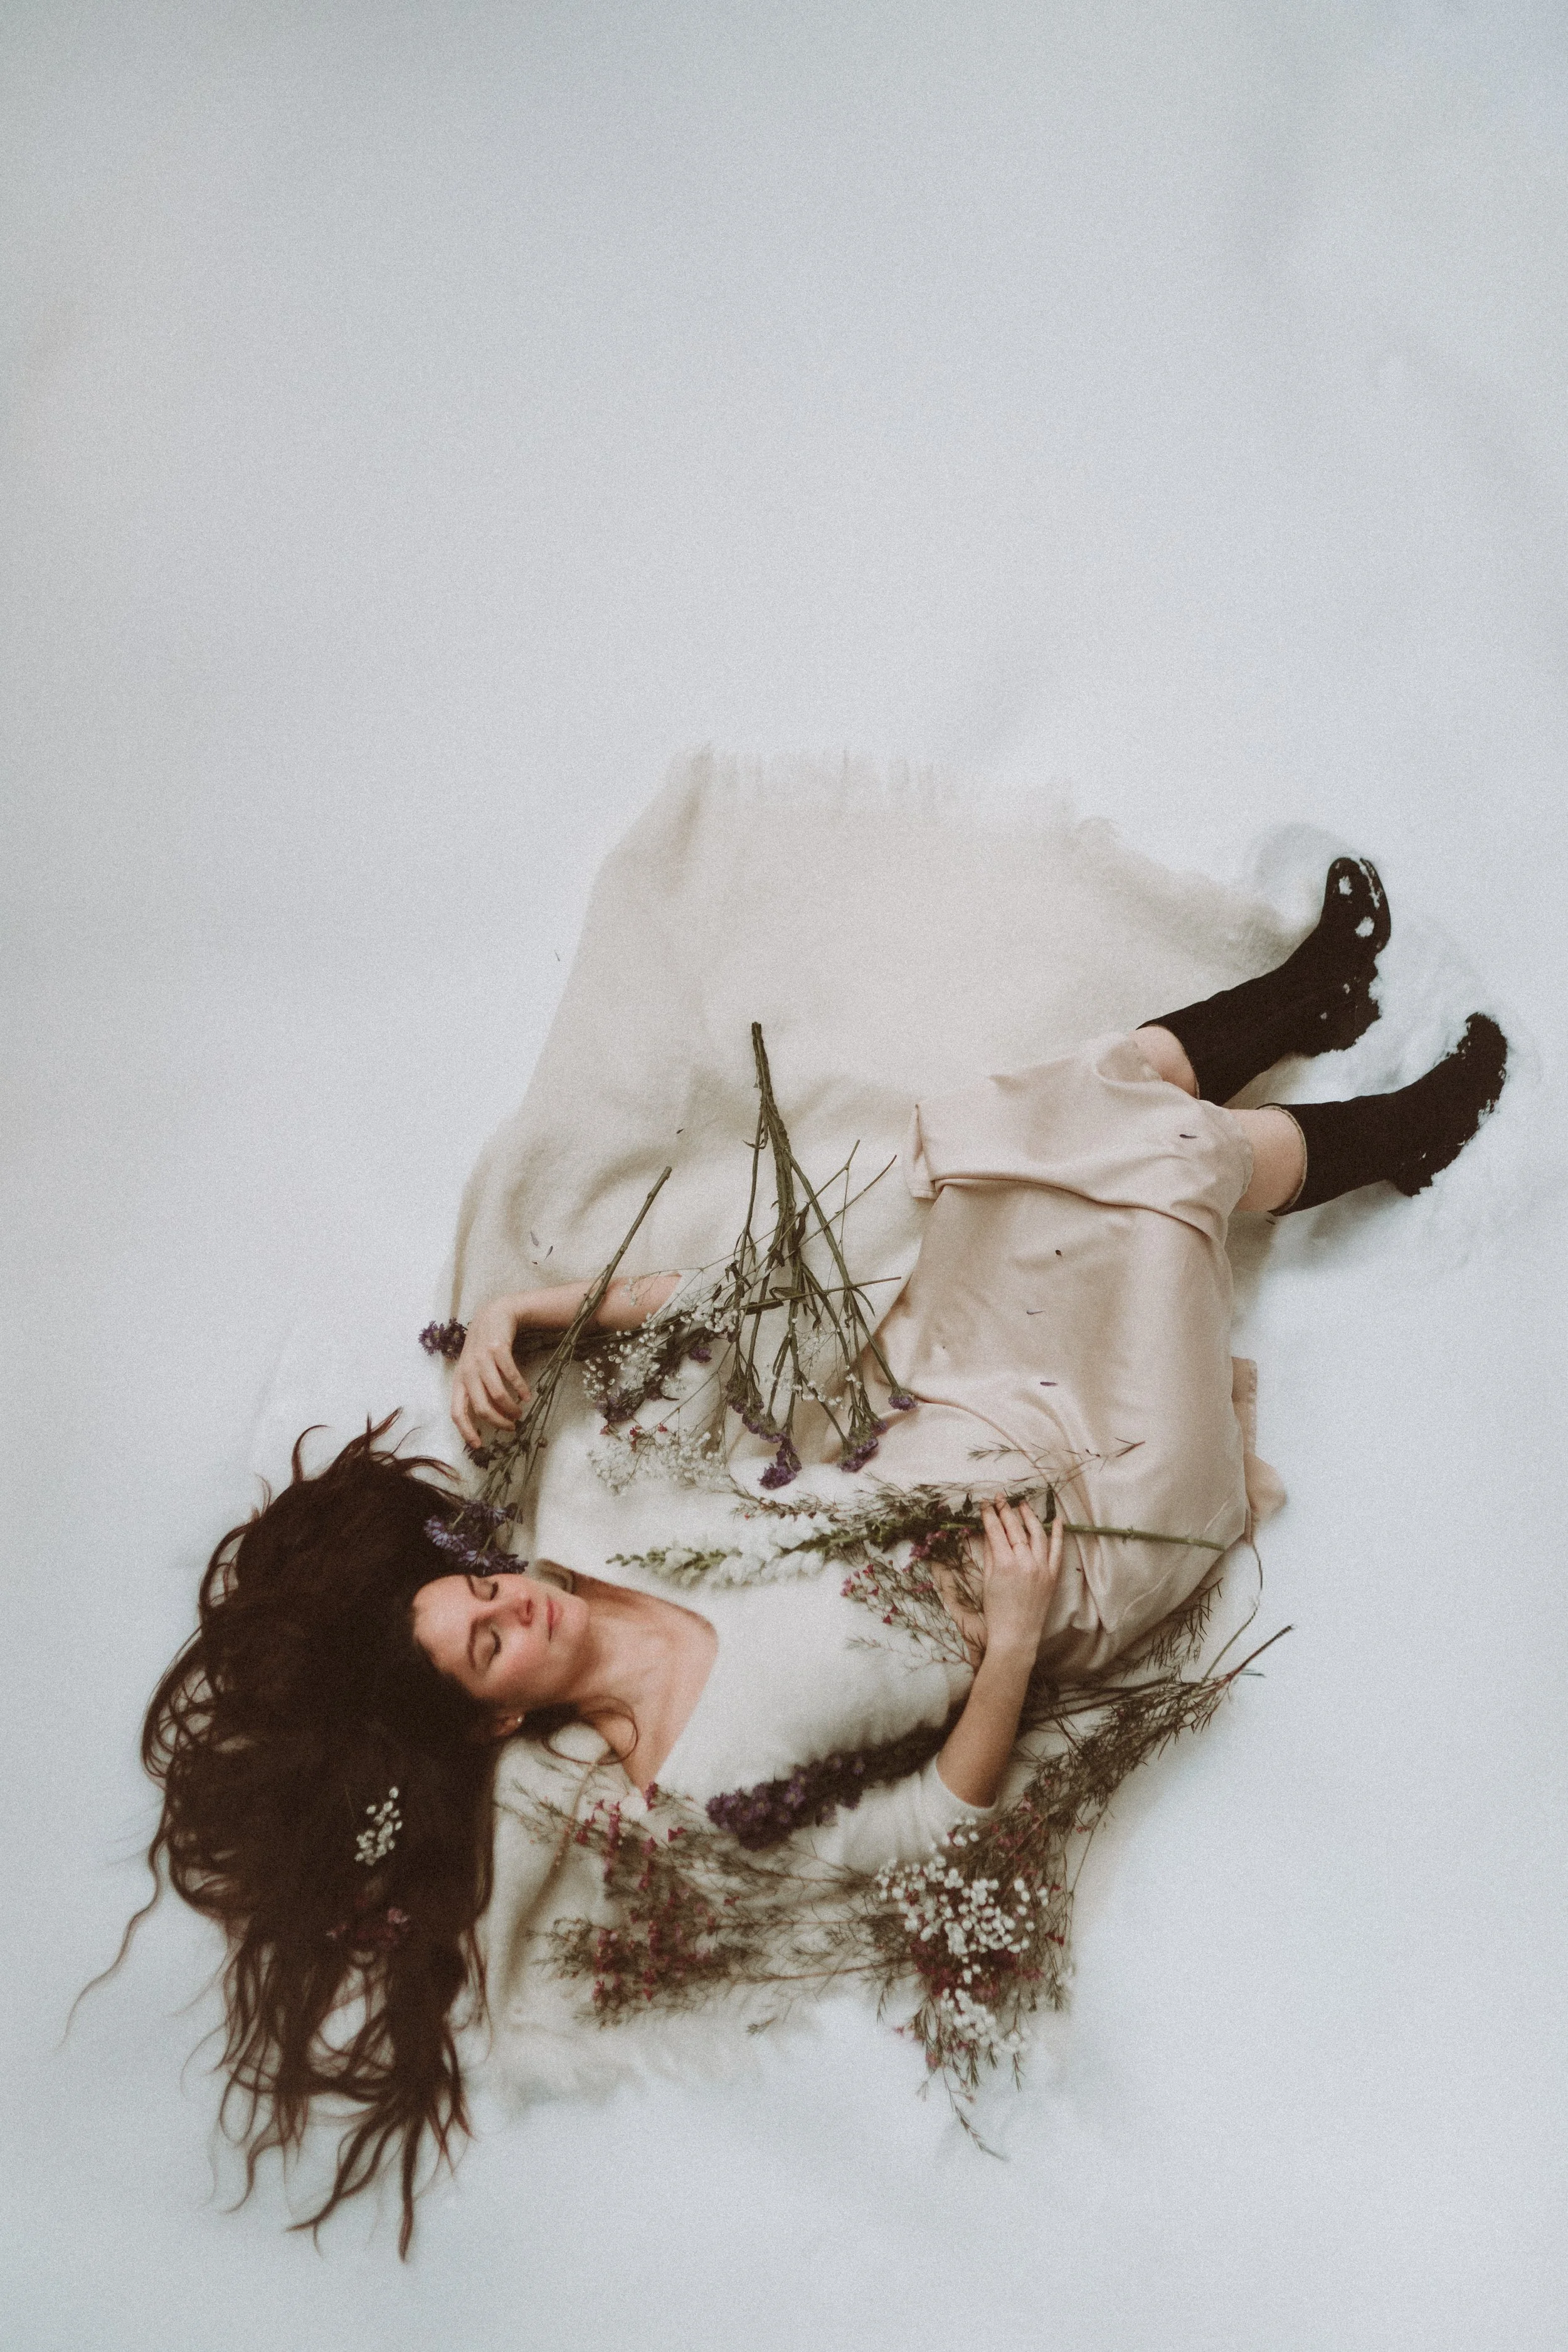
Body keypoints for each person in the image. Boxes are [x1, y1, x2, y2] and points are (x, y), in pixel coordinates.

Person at [137, 856, 1507, 2250]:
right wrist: (1018, 1640)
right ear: (494, 1710)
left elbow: (735, 1309)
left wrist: (521, 1305)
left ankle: (1304, 997)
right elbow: (925, 1836)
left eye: (484, 1588)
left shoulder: (607, 1520)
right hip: (1095, 1531)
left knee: (1021, 1120)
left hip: (964, 1385)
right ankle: (1397, 1134)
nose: (516, 1607)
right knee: (1156, 1186)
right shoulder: (692, 1785)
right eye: (489, 1641)